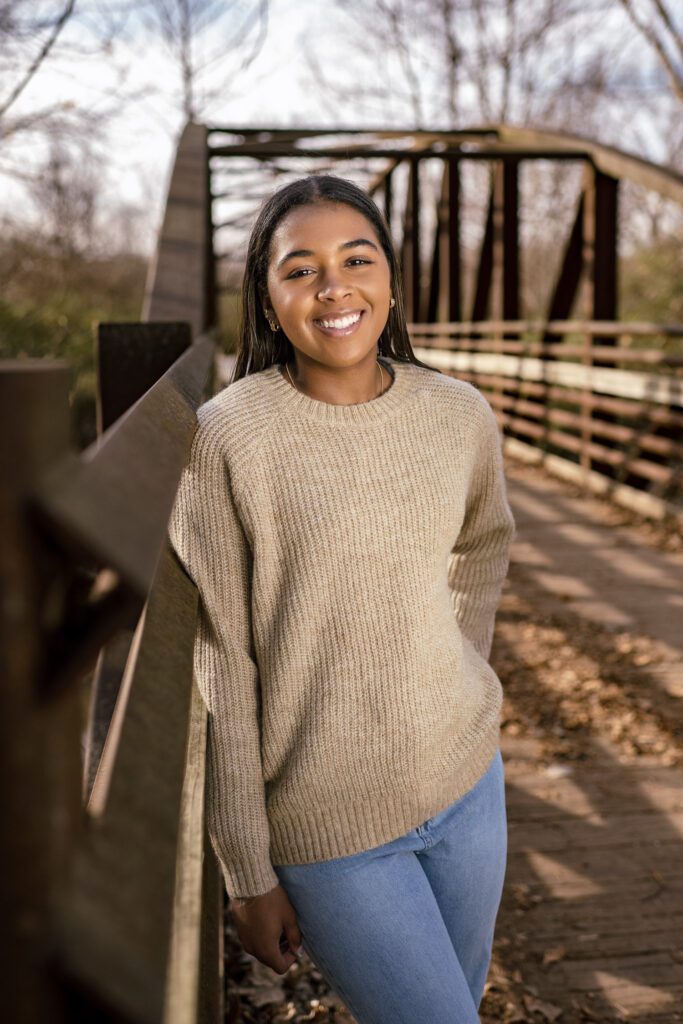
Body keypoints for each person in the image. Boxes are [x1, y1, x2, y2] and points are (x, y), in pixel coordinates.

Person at [167, 173, 516, 1024]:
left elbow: (484, 541)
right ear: (267, 297)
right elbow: (222, 662)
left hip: (468, 781)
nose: (333, 285)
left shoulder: (457, 414)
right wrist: (246, 873)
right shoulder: (227, 437)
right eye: (299, 269)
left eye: (356, 258)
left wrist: (457, 656)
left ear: (391, 284)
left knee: (456, 1003)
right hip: (331, 833)